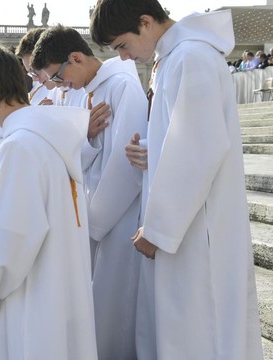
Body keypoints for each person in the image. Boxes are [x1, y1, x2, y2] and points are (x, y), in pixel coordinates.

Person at [90, 1, 263, 359]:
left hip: (197, 226)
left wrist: (158, 229)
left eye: (122, 45)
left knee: (199, 328)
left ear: (145, 21)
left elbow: (201, 148)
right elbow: (189, 135)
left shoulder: (191, 57)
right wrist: (153, 150)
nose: (123, 57)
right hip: (185, 222)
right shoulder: (173, 58)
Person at [0, 41, 97, 359]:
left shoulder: (18, 146)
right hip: (59, 293)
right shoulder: (49, 138)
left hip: (31, 303)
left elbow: (10, 244)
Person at [31, 24, 147, 360]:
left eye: (57, 75)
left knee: (113, 310)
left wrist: (94, 221)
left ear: (76, 58)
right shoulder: (80, 89)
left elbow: (127, 162)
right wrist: (86, 138)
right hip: (86, 213)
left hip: (116, 218)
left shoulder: (122, 86)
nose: (57, 86)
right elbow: (72, 155)